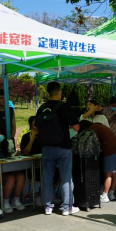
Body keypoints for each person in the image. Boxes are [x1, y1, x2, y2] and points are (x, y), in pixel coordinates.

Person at [37, 81, 80, 216]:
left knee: (47, 178)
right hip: (63, 147)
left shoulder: (42, 108)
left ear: (48, 93)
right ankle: (67, 207)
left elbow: (37, 128)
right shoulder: (65, 107)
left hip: (46, 148)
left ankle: (48, 206)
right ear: (60, 92)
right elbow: (77, 127)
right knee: (66, 178)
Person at [79, 120, 116, 203]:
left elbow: (95, 142)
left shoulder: (92, 129)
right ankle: (111, 193)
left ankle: (105, 195)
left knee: (108, 174)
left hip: (110, 150)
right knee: (115, 173)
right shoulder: (100, 126)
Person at [0, 126, 26, 213]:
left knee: (21, 176)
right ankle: (5, 202)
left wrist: (15, 154)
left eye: (0, 133)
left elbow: (12, 154)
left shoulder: (9, 142)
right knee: (11, 178)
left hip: (10, 169)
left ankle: (16, 200)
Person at [20, 116, 42, 207]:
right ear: (30, 124)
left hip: (43, 163)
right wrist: (31, 140)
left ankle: (42, 195)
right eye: (34, 122)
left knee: (56, 173)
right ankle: (38, 197)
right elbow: (25, 152)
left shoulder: (44, 136)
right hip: (31, 166)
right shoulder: (26, 137)